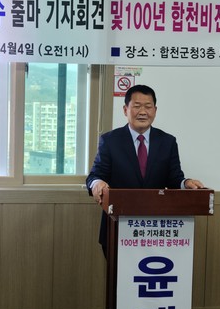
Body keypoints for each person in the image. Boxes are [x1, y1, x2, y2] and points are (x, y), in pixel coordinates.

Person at [86, 84, 205, 256]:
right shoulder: (110, 141)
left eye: (148, 106)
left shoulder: (168, 142)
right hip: (117, 228)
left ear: (155, 111)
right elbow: (95, 175)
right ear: (125, 110)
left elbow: (174, 178)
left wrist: (186, 183)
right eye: (137, 106)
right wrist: (97, 183)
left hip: (155, 230)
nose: (143, 112)